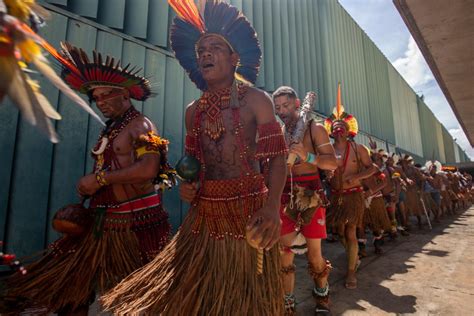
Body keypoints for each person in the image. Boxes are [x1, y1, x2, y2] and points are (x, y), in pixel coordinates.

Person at [101, 1, 287, 315]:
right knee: (195, 298)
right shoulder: (193, 111)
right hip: (204, 216)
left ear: (234, 58)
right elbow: (193, 164)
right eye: (201, 50)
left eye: (215, 47)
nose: (205, 54)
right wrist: (189, 186)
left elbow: (278, 158)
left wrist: (271, 208)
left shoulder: (257, 100)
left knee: (248, 299)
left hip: (248, 212)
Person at [3, 43, 174, 315]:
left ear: (126, 94)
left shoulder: (140, 125)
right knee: (71, 287)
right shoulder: (113, 127)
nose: (102, 102)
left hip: (134, 226)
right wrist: (91, 187)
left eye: (107, 95)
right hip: (102, 220)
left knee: (139, 292)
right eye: (97, 98)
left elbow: (149, 169)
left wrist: (100, 180)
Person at [273, 86, 337, 315]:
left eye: (286, 105)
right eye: (278, 107)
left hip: (311, 193)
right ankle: (288, 302)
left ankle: (322, 296)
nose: (282, 110)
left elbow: (332, 164)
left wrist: (307, 156)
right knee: (285, 251)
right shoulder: (279, 133)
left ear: (297, 103)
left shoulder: (314, 129)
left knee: (314, 255)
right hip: (285, 195)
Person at [324, 83, 377, 290]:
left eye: (342, 128)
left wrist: (356, 176)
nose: (338, 131)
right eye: (335, 128)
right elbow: (323, 168)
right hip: (336, 196)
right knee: (338, 232)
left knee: (350, 233)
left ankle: (351, 272)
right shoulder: (326, 149)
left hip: (353, 195)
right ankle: (352, 258)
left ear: (348, 131)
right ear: (331, 131)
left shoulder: (358, 149)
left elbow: (372, 168)